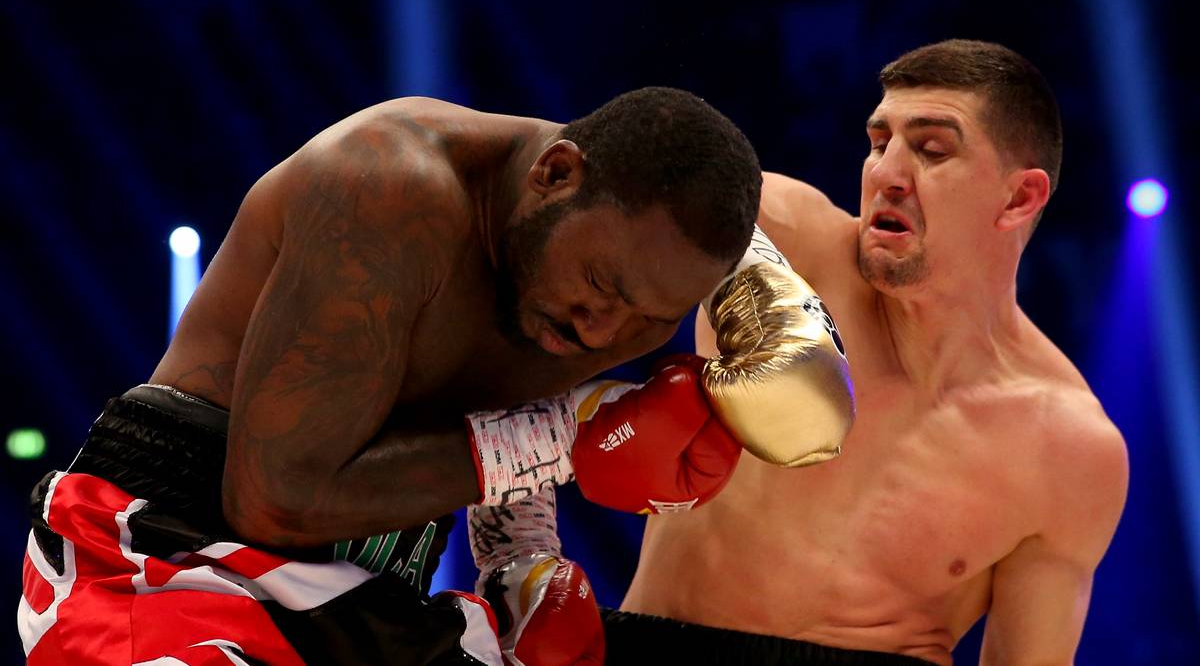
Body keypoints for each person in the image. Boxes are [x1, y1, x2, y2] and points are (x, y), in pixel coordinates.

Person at [17, 87, 771, 665]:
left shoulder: (618, 272)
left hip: (368, 586)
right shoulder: (389, 188)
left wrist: (522, 563)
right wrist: (567, 438)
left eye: (646, 318)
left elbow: (492, 410)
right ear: (555, 173)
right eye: (602, 286)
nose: (604, 330)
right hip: (168, 556)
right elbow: (274, 499)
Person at [603, 40, 1129, 665]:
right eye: (879, 144)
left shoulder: (1068, 446)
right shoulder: (780, 238)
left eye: (932, 150)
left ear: (1019, 199)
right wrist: (517, 540)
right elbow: (557, 179)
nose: (885, 174)